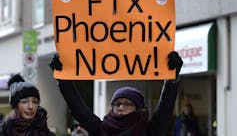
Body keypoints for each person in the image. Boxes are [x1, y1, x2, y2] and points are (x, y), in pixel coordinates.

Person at [49, 51, 183, 136]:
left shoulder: (149, 130)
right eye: (117, 104)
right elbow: (78, 107)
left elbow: (165, 107)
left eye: (128, 104)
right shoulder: (100, 128)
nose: (121, 108)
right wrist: (63, 79)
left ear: (138, 108)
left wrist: (171, 79)